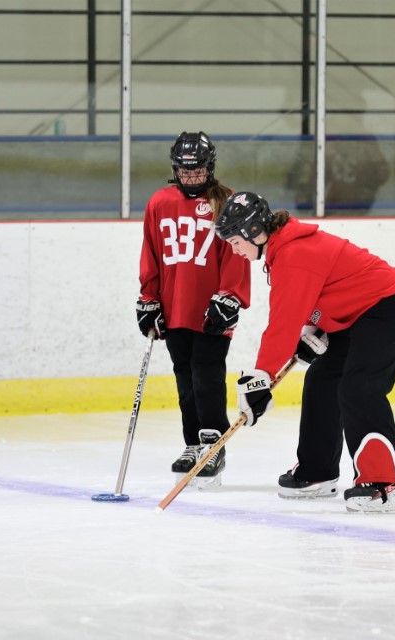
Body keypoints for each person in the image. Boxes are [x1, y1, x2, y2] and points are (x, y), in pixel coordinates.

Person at [214, 192, 395, 513]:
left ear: (254, 231)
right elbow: (319, 294)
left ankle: (384, 485)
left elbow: (283, 322)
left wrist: (260, 376)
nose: (233, 249)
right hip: (353, 313)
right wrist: (314, 328)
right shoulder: (281, 250)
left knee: (359, 388)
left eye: (235, 240)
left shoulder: (293, 254)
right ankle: (317, 472)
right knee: (322, 379)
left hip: (384, 308)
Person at [136, 132, 251, 487]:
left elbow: (237, 253)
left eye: (197, 172)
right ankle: (192, 443)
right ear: (175, 170)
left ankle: (213, 443)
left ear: (209, 169)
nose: (191, 179)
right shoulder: (159, 202)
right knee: (184, 376)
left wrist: (230, 296)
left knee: (207, 373)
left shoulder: (226, 201)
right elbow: (151, 253)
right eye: (184, 173)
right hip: (174, 308)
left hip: (212, 309)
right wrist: (148, 299)